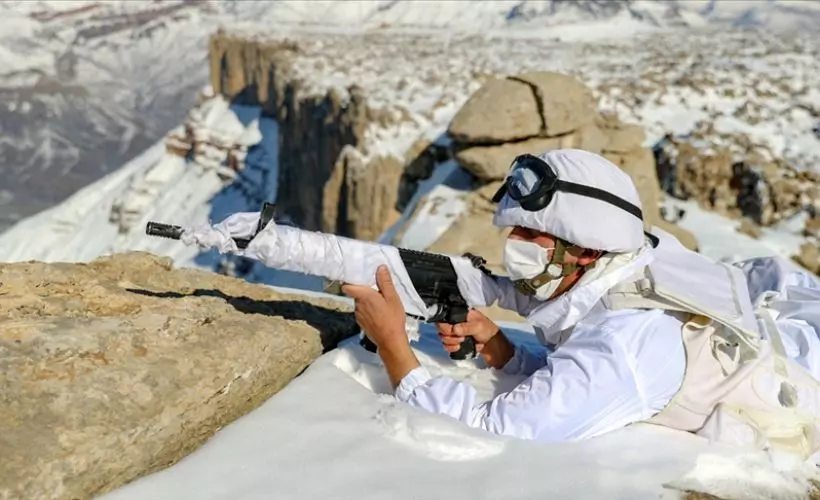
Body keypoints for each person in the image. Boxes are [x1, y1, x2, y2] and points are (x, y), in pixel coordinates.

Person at [339, 149, 820, 459]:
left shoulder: (622, 347)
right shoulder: (629, 264)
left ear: (586, 250)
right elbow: (576, 368)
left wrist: (393, 344)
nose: (514, 243)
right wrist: (505, 352)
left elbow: (496, 429)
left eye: (532, 234)